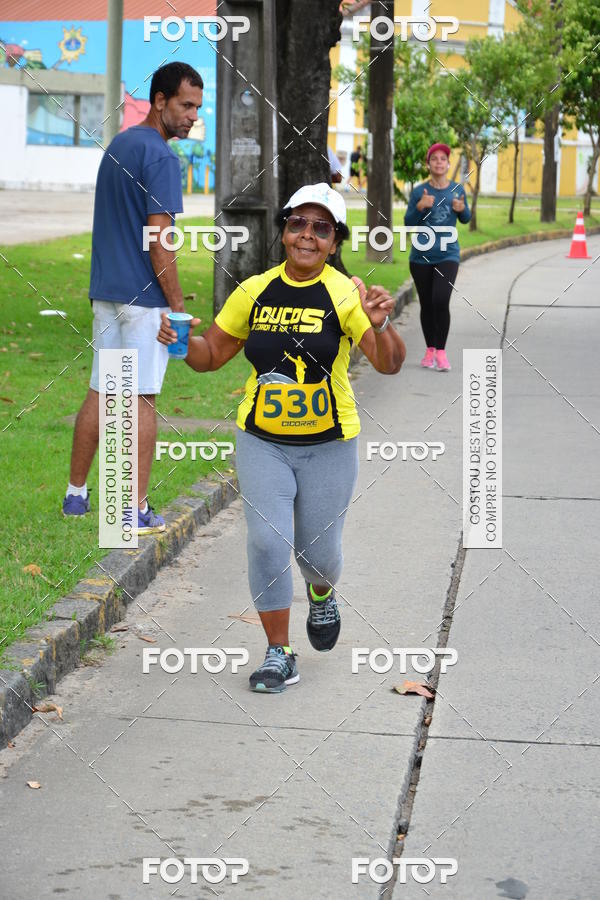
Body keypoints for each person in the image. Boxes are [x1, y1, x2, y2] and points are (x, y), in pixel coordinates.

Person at [157, 183, 406, 693]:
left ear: (335, 241)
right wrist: (181, 343)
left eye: (321, 228)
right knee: (268, 542)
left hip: (329, 444)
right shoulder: (254, 291)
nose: (307, 236)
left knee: (319, 556)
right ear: (285, 232)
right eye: (298, 224)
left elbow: (389, 363)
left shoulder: (346, 295)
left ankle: (321, 591)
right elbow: (212, 356)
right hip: (262, 440)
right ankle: (278, 652)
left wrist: (381, 326)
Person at [62, 62, 204, 533]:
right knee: (142, 399)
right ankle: (131, 509)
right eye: (185, 105)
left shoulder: (119, 144)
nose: (191, 116)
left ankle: (77, 496)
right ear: (159, 100)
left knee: (103, 390)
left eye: (197, 108)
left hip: (106, 293)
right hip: (144, 301)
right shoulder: (161, 157)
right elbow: (159, 238)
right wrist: (178, 307)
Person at [404, 142, 471, 372]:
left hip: (448, 255)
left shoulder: (457, 190)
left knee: (440, 300)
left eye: (443, 159)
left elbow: (466, 218)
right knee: (426, 304)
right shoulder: (418, 192)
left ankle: (441, 353)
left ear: (448, 164)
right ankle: (429, 349)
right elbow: (408, 223)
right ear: (428, 164)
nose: (439, 162)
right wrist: (420, 206)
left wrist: (462, 209)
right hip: (420, 258)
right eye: (435, 159)